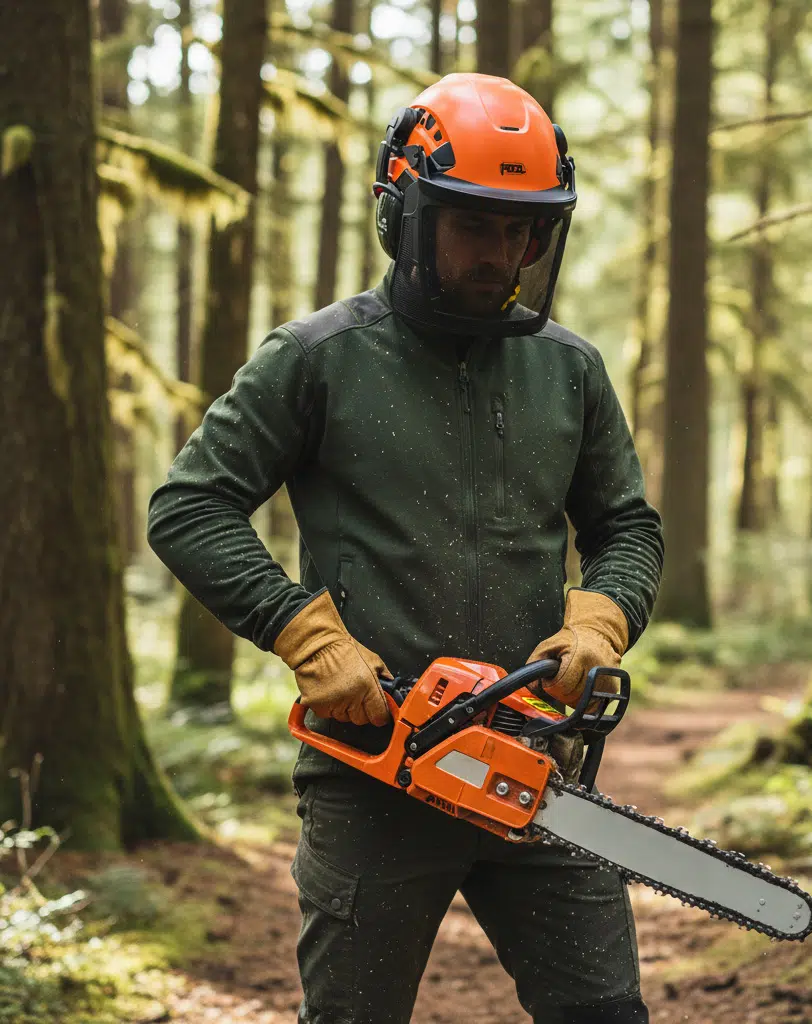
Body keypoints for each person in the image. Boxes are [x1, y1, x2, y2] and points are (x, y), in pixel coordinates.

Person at [148, 72, 664, 1024]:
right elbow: (189, 507)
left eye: (524, 230)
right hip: (373, 766)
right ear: (406, 214)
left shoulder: (570, 370)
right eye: (474, 224)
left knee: (604, 1012)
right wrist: (308, 638)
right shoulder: (317, 358)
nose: (501, 253)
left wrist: (600, 617)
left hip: (535, 763)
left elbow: (625, 526)